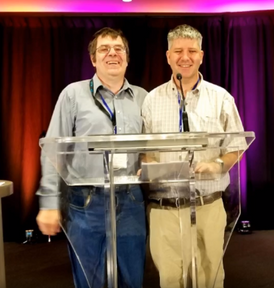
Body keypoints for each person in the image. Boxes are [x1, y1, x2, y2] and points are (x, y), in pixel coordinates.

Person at [36, 27, 147, 288]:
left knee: (133, 281)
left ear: (127, 58)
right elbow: (53, 151)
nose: (112, 54)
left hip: (130, 201)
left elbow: (151, 152)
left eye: (118, 49)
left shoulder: (144, 98)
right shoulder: (72, 95)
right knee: (89, 281)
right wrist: (49, 203)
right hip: (86, 204)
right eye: (104, 49)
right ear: (93, 59)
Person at [141, 24, 246, 288]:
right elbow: (144, 153)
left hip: (208, 205)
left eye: (191, 51)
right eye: (178, 51)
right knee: (170, 279)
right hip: (164, 208)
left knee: (209, 278)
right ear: (168, 56)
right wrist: (153, 167)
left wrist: (217, 165)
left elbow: (236, 146)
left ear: (201, 55)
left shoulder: (221, 98)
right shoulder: (151, 100)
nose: (184, 57)